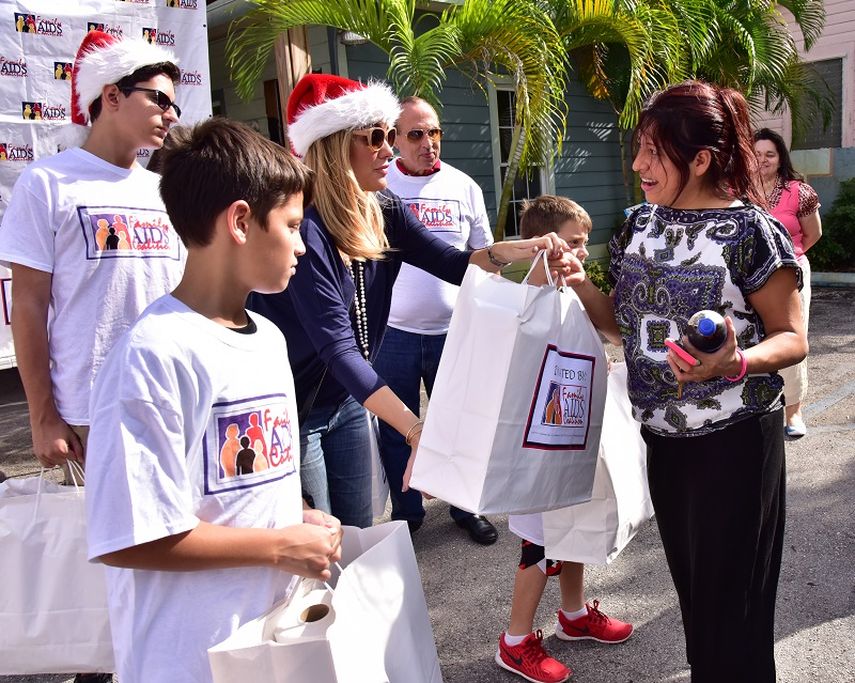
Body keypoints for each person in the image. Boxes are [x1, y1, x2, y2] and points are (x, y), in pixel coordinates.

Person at [249, 74, 572, 529]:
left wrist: (517, 250)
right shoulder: (306, 228)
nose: (389, 149)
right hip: (292, 411)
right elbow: (337, 347)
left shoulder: (385, 209)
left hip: (348, 403)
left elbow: (455, 264)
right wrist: (416, 428)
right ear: (335, 145)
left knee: (359, 532)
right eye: (377, 136)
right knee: (321, 545)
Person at [564, 81, 807, 683]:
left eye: (653, 150)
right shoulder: (638, 225)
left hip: (736, 442)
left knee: (734, 607)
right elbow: (621, 323)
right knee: (697, 598)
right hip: (665, 443)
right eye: (638, 147)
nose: (638, 163)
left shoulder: (750, 232)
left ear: (700, 159)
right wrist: (577, 280)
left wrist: (736, 362)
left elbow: (792, 336)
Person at [84, 118, 343, 683]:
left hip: (268, 642)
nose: (301, 245)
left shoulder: (270, 339)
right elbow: (132, 537)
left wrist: (293, 517)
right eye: (294, 226)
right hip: (186, 657)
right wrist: (278, 545)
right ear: (241, 221)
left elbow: (231, 489)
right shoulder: (152, 355)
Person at [0, 31, 183, 683]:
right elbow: (28, 307)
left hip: (167, 409)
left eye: (175, 103)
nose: (170, 113)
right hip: (91, 418)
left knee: (166, 575)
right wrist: (45, 416)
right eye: (159, 98)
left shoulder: (162, 192)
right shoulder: (48, 183)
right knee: (110, 584)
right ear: (111, 95)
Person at [497, 196, 633, 683]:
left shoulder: (572, 289)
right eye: (573, 241)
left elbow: (613, 334)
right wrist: (543, 261)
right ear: (546, 244)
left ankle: (573, 615)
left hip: (574, 432)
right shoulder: (531, 295)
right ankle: (515, 641)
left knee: (575, 518)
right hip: (538, 444)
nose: (583, 251)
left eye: (584, 242)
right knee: (537, 541)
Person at [373, 95, 498, 543]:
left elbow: (483, 257)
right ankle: (408, 514)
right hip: (393, 335)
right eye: (416, 134)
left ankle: (465, 508)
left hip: (454, 332)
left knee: (459, 424)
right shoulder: (378, 186)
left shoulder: (464, 186)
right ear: (394, 140)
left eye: (435, 132)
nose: (429, 143)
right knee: (397, 429)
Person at [754, 127, 822, 438]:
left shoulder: (799, 191)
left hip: (791, 273)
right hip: (749, 277)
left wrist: (788, 257)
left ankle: (793, 411)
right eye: (757, 154)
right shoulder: (735, 190)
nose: (763, 160)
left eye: (770, 154)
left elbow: (813, 234)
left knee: (792, 337)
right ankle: (755, 404)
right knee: (752, 338)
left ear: (780, 158)